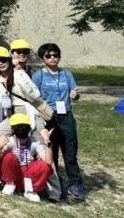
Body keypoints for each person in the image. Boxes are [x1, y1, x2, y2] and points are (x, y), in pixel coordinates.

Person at [33, 42, 84, 201]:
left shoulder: (67, 74)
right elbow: (34, 97)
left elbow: (75, 93)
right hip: (49, 118)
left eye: (56, 55)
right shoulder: (38, 76)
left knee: (70, 152)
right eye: (49, 55)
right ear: (43, 59)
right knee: (51, 153)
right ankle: (55, 185)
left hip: (67, 116)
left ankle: (75, 186)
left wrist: (75, 95)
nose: (53, 58)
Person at [0, 46, 52, 127]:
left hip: (26, 110)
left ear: (9, 61)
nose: (0, 63)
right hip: (10, 114)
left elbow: (35, 94)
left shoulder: (18, 73)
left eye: (3, 60)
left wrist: (20, 77)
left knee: (36, 138)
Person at [0, 113, 53, 202]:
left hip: (27, 174)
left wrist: (47, 141)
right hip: (13, 173)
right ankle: (9, 184)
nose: (21, 129)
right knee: (8, 155)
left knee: (45, 165)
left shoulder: (34, 142)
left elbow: (49, 162)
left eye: (23, 126)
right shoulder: (10, 141)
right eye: (19, 127)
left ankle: (31, 190)